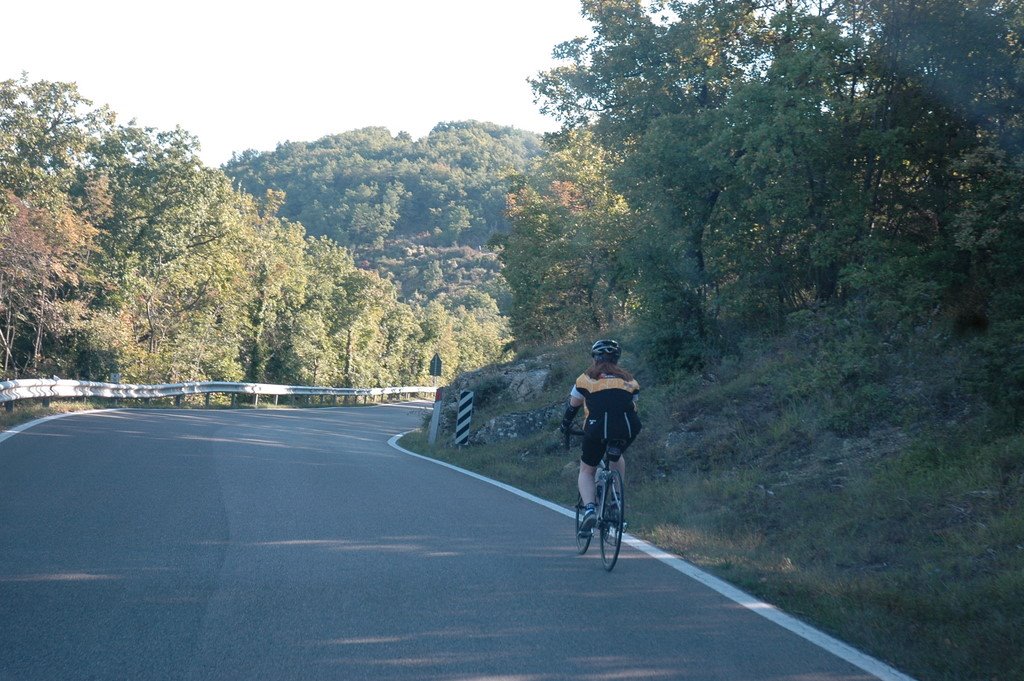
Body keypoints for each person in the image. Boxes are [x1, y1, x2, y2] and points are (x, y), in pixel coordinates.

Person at [560, 339, 641, 535]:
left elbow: (573, 406)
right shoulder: (630, 380)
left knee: (587, 470)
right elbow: (632, 406)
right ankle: (616, 502)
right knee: (616, 455)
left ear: (595, 358)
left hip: (596, 428)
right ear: (617, 358)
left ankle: (589, 509)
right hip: (627, 428)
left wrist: (565, 426)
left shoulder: (585, 379)